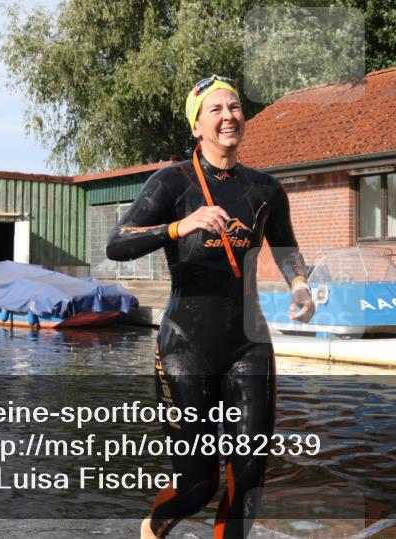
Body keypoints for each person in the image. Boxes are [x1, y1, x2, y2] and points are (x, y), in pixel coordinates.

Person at [107, 75, 315, 539]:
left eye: (234, 107)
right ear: (196, 126)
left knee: (249, 479)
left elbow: (286, 249)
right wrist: (180, 226)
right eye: (215, 110)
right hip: (186, 345)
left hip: (249, 343)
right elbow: (117, 242)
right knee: (199, 486)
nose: (228, 116)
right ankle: (154, 527)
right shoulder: (172, 183)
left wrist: (300, 285)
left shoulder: (265, 189)